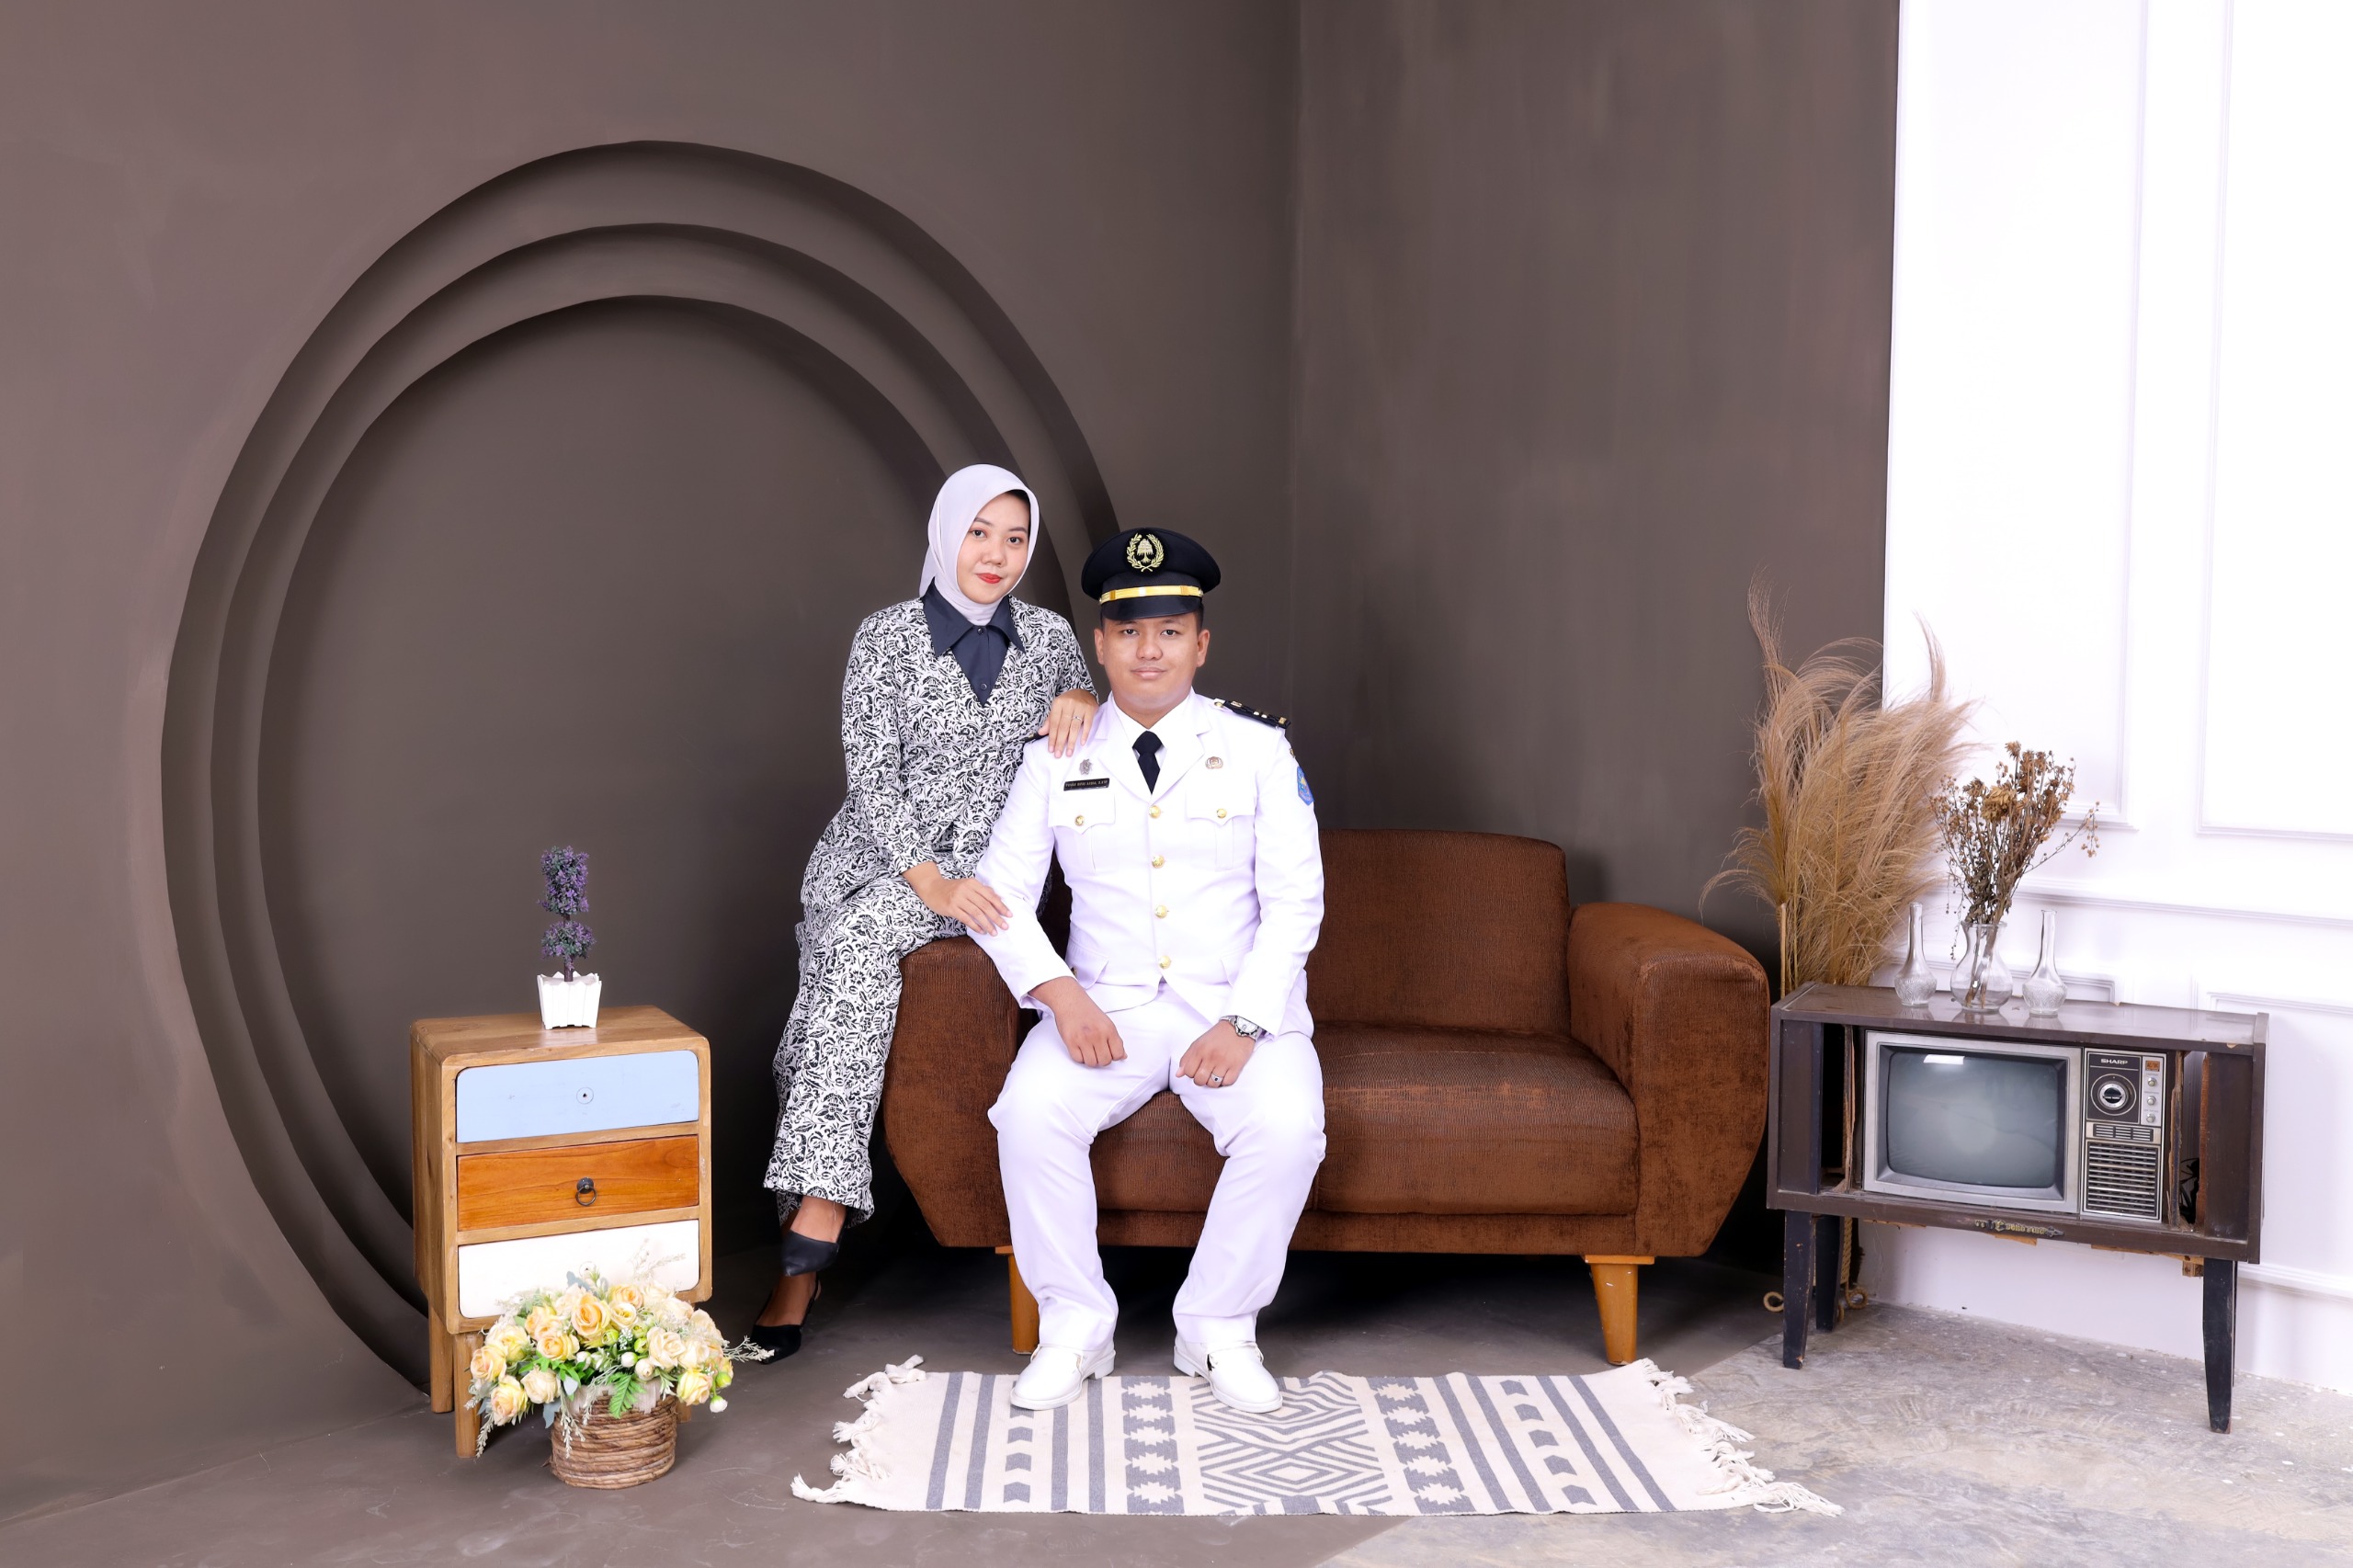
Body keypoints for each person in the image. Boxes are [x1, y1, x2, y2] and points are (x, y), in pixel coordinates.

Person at [968, 527, 1325, 1415]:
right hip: (1106, 1006)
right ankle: (1074, 1329)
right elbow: (1001, 894)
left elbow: (1296, 904)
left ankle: (1219, 1328)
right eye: (1129, 632)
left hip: (1233, 1005)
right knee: (1028, 1114)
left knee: (1288, 1127)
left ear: (1201, 645)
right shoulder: (1055, 754)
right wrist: (1061, 998)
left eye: (1169, 632)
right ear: (1101, 645)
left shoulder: (1259, 751)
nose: (1149, 650)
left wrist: (1245, 1023)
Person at [751, 465, 1098, 1358]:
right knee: (841, 974)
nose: (997, 555)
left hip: (991, 877)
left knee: (853, 958)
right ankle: (810, 1226)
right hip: (881, 865)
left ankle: (807, 1243)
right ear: (947, 533)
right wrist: (929, 882)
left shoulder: (1052, 639)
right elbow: (872, 775)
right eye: (980, 532)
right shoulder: (886, 637)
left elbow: (1088, 739)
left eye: (1015, 538)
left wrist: (1083, 698)